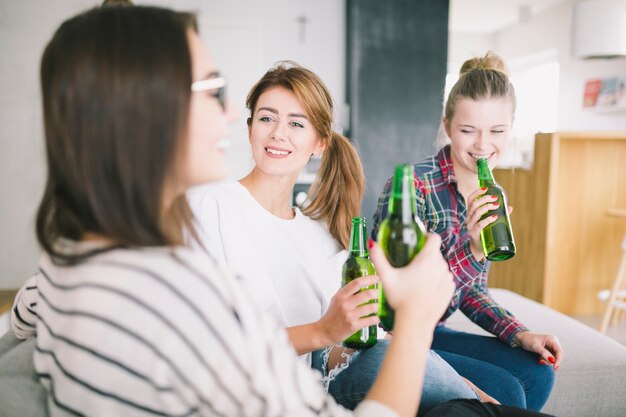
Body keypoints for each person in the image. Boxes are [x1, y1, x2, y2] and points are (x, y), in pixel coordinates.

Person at [7, 5, 457, 417]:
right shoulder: (181, 299)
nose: (229, 114)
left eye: (296, 123)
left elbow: (19, 323)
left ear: (319, 141)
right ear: (144, 111)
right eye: (210, 91)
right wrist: (417, 320)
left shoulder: (67, 261)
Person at [187, 62, 495, 415]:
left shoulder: (319, 238)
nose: (278, 134)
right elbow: (209, 345)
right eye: (266, 118)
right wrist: (322, 331)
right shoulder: (211, 206)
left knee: (505, 388)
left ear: (319, 143)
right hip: (269, 390)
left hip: (332, 369)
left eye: (296, 124)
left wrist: (464, 385)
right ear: (250, 129)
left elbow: (364, 332)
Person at [372, 51, 564, 411]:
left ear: (512, 128)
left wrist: (519, 333)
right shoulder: (411, 187)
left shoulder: (493, 193)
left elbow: (473, 292)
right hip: (394, 334)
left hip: (435, 330)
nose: (482, 145)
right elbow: (397, 304)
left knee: (538, 373)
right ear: (447, 126)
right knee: (506, 390)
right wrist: (474, 250)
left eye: (497, 131)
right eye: (467, 130)